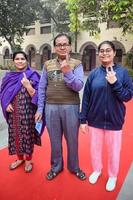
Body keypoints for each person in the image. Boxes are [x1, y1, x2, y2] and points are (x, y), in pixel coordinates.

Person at [80, 41, 133, 191]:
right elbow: (86, 98)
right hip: (95, 120)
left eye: (108, 50)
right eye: (101, 51)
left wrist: (115, 83)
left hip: (114, 120)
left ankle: (112, 175)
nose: (104, 53)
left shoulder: (123, 73)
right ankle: (97, 170)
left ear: (114, 53)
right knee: (94, 149)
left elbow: (127, 96)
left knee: (114, 151)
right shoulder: (94, 75)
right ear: (98, 54)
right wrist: (83, 119)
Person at [35, 33, 86, 181]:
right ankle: (56, 167)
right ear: (55, 47)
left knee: (72, 140)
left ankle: (74, 167)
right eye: (59, 44)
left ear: (70, 46)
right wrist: (40, 108)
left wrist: (68, 72)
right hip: (51, 107)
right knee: (55, 140)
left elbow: (78, 86)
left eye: (65, 44)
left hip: (71, 107)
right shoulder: (47, 64)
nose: (62, 47)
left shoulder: (77, 63)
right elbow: (42, 87)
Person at [0, 51, 41, 172]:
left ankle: (28, 160)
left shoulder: (33, 75)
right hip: (13, 113)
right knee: (15, 135)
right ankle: (19, 158)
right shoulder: (8, 77)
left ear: (26, 60)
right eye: (17, 59)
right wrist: (5, 103)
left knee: (27, 135)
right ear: (13, 61)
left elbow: (39, 94)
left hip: (28, 112)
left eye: (22, 59)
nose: (20, 61)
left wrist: (28, 86)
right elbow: (2, 93)